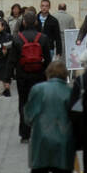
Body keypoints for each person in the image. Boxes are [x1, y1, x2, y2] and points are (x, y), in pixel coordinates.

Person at [25, 59, 75, 173]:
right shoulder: (70, 91)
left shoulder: (38, 89)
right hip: (65, 141)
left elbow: (29, 115)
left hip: (42, 140)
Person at [12, 8, 53, 142]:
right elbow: (48, 59)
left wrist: (6, 78)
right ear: (36, 22)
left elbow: (12, 60)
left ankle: (25, 133)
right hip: (39, 75)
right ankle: (39, 130)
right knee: (39, 103)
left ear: (23, 22)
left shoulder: (18, 38)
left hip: (22, 76)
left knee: (23, 103)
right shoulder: (43, 38)